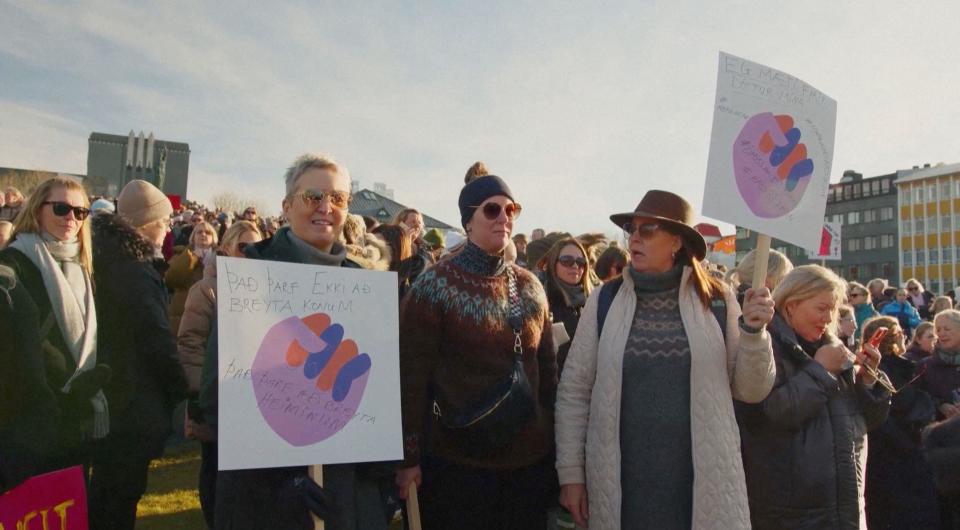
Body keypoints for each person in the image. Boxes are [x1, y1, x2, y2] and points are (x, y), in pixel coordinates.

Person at [555, 190, 776, 530]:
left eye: (647, 230)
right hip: (621, 488)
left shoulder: (717, 299)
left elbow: (751, 390)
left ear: (677, 241)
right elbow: (574, 391)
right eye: (631, 229)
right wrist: (571, 474)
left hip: (700, 489)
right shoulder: (604, 300)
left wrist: (754, 335)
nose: (633, 238)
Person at [214, 153, 391, 530]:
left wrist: (382, 461)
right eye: (313, 197)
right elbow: (218, 394)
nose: (326, 208)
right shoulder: (252, 277)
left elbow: (376, 391)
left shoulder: (363, 287)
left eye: (339, 199)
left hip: (345, 484)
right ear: (287, 206)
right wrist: (281, 479)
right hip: (265, 494)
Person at [396, 174, 558, 530]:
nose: (505, 217)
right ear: (468, 221)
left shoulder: (531, 285)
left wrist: (553, 446)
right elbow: (410, 379)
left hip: (526, 467)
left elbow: (548, 373)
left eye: (511, 209)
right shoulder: (433, 285)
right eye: (492, 209)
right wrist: (408, 459)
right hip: (456, 467)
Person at [736, 265, 891, 530]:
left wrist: (868, 378)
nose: (828, 318)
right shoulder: (764, 348)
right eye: (822, 308)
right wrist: (819, 372)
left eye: (833, 310)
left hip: (844, 507)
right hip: (791, 514)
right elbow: (770, 416)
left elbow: (868, 422)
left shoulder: (834, 350)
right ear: (791, 305)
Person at [88, 179, 188, 530]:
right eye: (164, 222)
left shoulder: (106, 256)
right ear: (146, 224)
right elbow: (156, 340)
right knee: (118, 499)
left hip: (108, 399)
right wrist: (184, 389)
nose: (167, 231)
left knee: (104, 495)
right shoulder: (134, 270)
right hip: (132, 404)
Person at [0, 177, 110, 492]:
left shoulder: (85, 268)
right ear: (37, 210)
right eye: (61, 208)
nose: (71, 219)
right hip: (30, 428)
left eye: (81, 212)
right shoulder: (13, 266)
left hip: (77, 421)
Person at [177, 220, 262, 528]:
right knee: (214, 469)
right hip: (213, 400)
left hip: (249, 400)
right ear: (227, 248)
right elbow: (190, 343)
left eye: (256, 247)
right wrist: (204, 395)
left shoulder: (265, 288)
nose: (250, 253)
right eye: (243, 246)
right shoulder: (206, 288)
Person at [860, 316, 939, 530]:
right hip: (901, 452)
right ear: (895, 338)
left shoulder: (878, 369)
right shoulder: (899, 370)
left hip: (881, 456)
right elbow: (898, 407)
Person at [538, 237, 593, 371]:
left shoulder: (594, 301)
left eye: (581, 262)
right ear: (553, 263)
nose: (575, 266)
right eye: (567, 261)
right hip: (550, 382)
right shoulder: (540, 299)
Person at [167, 220, 218, 336]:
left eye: (208, 232)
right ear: (193, 237)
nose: (203, 235)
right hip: (182, 316)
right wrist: (190, 258)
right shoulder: (181, 254)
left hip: (210, 315)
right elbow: (171, 280)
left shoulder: (220, 257)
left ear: (214, 237)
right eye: (199, 232)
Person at [917, 310, 960, 422]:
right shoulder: (925, 365)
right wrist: (940, 406)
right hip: (941, 431)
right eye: (938, 329)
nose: (942, 333)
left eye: (947, 329)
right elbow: (918, 397)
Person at [723, 247, 793, 305]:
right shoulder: (763, 308)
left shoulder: (732, 301)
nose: (787, 285)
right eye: (783, 278)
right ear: (767, 279)